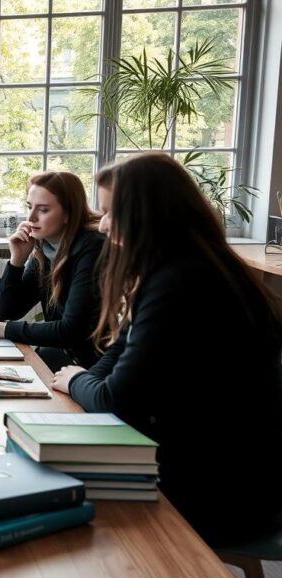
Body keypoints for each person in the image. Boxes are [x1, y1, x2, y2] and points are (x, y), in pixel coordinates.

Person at [50, 152, 282, 547]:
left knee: (52, 490)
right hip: (230, 470)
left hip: (224, 494)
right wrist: (88, 376)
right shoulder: (193, 265)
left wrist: (74, 380)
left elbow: (115, 400)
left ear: (146, 215)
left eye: (110, 212)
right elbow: (121, 351)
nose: (102, 225)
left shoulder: (179, 282)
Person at [0, 171, 105, 370]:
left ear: (69, 213)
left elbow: (72, 330)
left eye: (43, 210)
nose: (30, 217)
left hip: (96, 368)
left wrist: (5, 330)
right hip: (69, 359)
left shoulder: (92, 247)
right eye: (29, 207)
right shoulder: (46, 248)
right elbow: (6, 311)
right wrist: (17, 260)